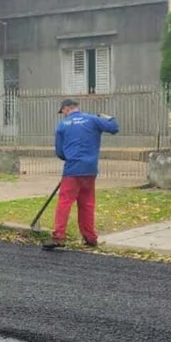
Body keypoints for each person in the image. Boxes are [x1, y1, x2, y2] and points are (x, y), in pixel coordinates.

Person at [43, 99, 120, 250]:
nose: (63, 114)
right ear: (77, 108)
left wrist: (70, 157)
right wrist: (107, 117)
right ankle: (90, 238)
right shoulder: (93, 120)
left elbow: (60, 152)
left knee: (64, 203)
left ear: (65, 109)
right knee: (87, 204)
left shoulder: (62, 125)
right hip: (90, 169)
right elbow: (114, 128)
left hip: (72, 170)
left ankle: (59, 237)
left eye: (62, 112)